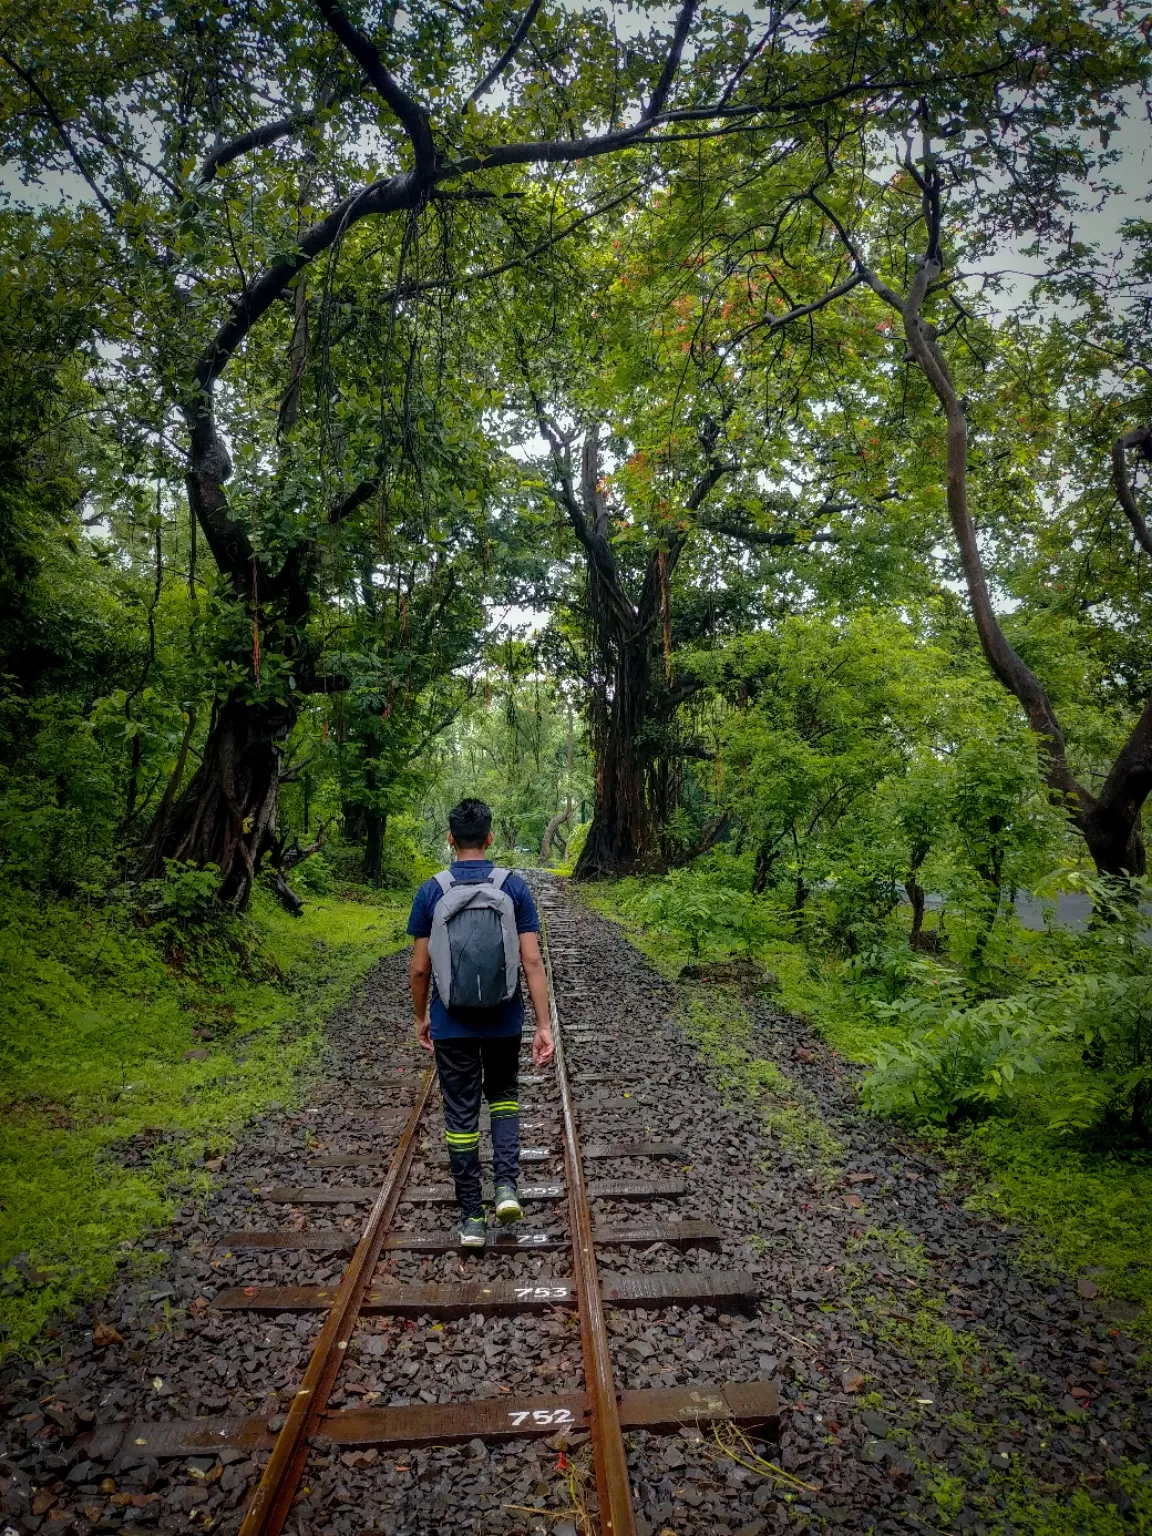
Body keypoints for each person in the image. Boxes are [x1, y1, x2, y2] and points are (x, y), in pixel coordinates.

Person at [408, 798, 554, 1249]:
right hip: (504, 1018)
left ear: (450, 839)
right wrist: (543, 1025)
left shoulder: (431, 891)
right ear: (491, 838)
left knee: (460, 1113)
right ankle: (506, 1186)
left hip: (452, 1022)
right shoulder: (513, 888)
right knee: (505, 1097)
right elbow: (531, 961)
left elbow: (418, 969)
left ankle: (472, 1217)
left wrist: (420, 1017)